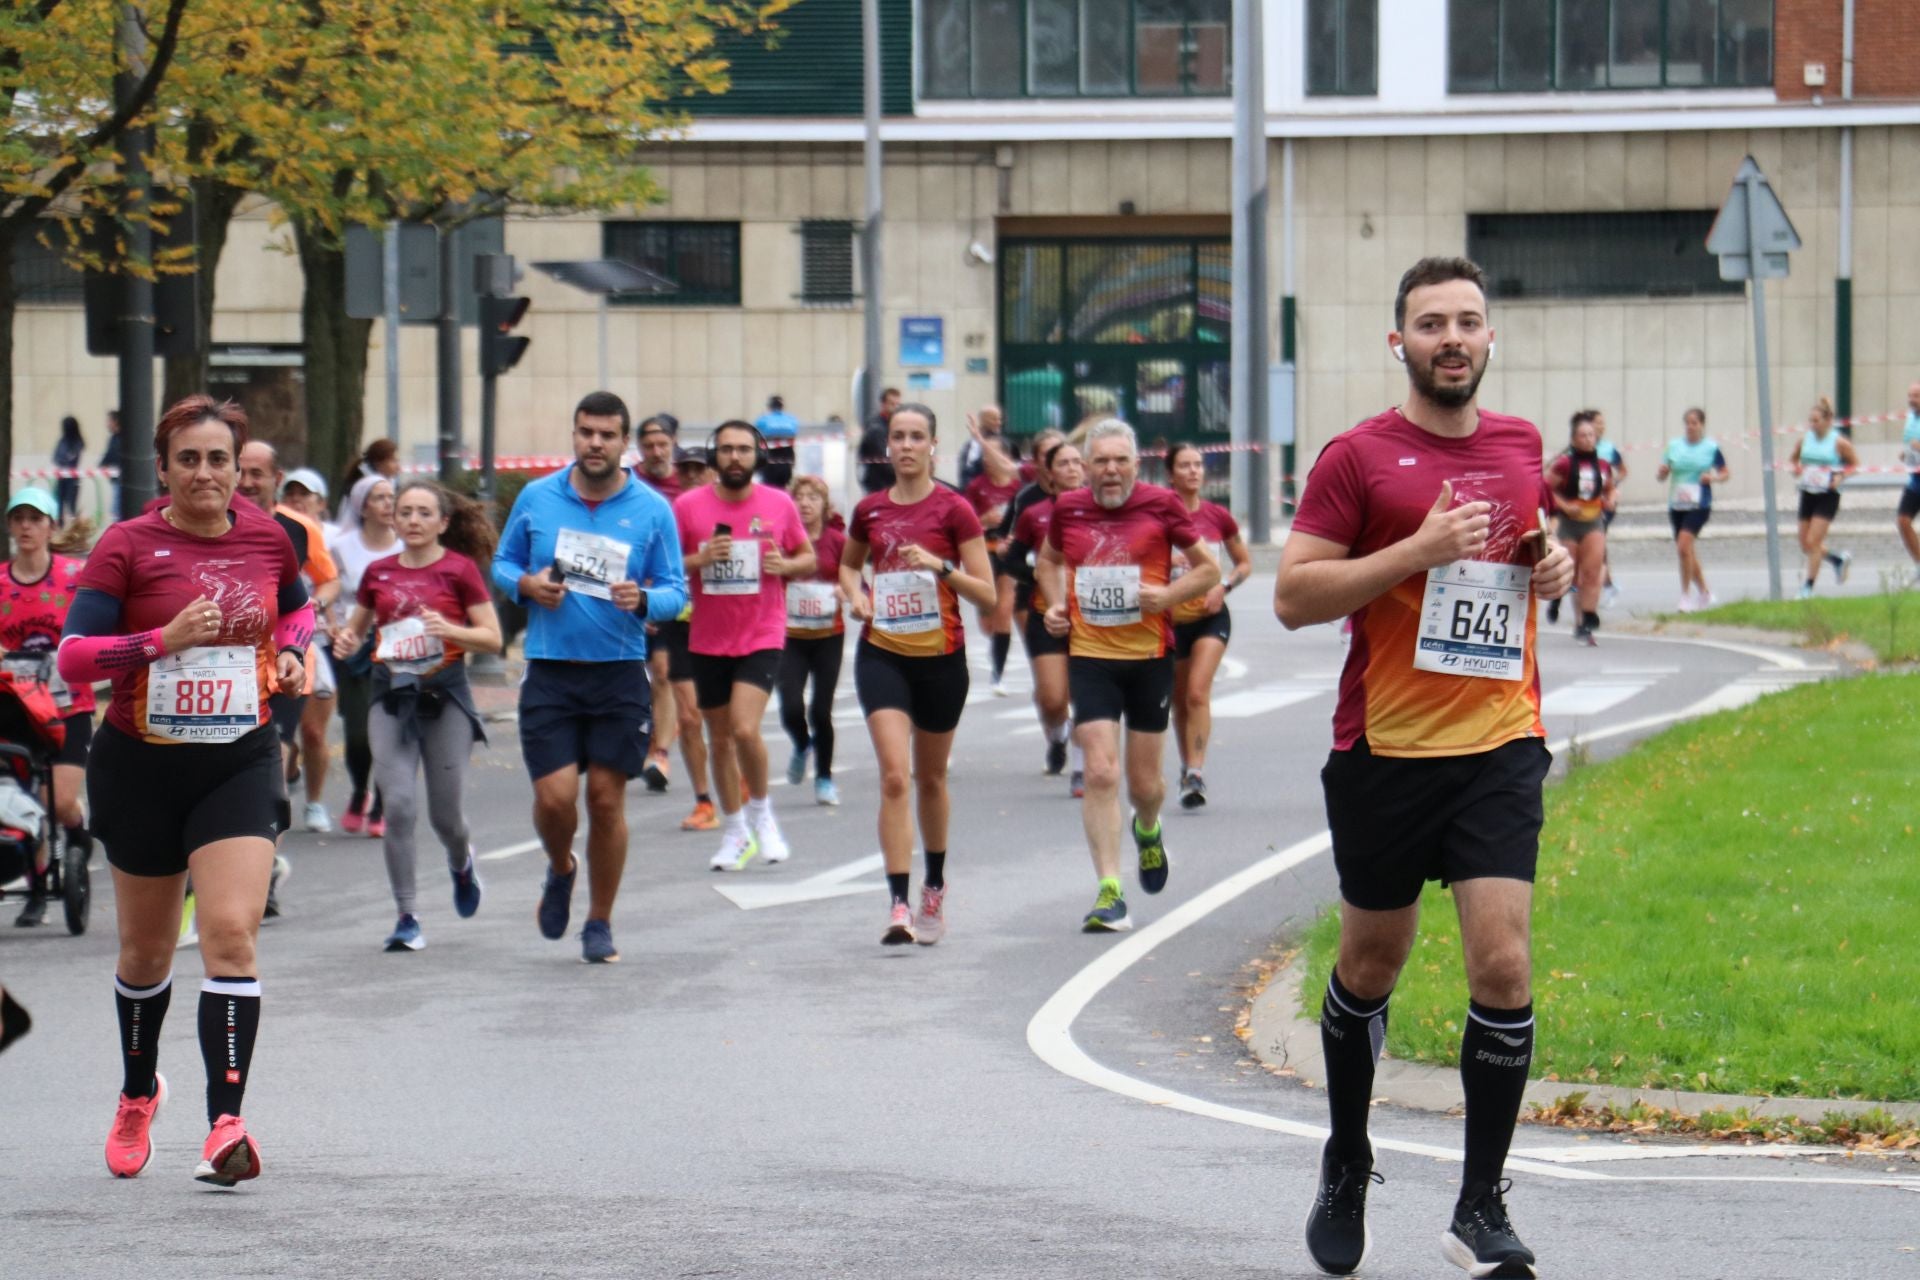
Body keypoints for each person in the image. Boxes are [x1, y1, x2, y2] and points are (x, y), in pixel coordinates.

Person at [1274, 256, 1575, 1280]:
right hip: (1386, 752)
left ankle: (1479, 1204)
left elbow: (1520, 559)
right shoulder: (1357, 458)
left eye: (1469, 320)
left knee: (1503, 963)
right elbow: (1295, 596)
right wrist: (1413, 550)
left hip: (1499, 740)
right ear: (1399, 342)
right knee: (1371, 967)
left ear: (1491, 338)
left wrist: (1552, 565)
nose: (1453, 337)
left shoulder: (1522, 444)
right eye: (1432, 322)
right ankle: (1348, 1156)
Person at [60, 393, 314, 1187]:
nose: (205, 473)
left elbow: (298, 615)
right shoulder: (128, 545)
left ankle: (225, 1123)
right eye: (189, 459)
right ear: (164, 469)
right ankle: (138, 1094)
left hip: (238, 757)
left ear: (240, 470)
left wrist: (297, 657)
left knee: (232, 934)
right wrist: (157, 643)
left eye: (219, 460)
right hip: (140, 764)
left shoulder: (270, 538)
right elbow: (73, 658)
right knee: (143, 951)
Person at [494, 391, 688, 964]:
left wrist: (645, 598)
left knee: (605, 801)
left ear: (625, 443)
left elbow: (677, 592)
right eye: (586, 432)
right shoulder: (537, 498)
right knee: (555, 801)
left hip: (619, 674)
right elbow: (502, 564)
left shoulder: (652, 510)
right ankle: (560, 867)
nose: (595, 443)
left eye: (607, 434)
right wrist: (527, 586)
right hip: (552, 671)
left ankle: (599, 922)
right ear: (574, 435)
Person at [1035, 419, 1218, 934]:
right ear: (1086, 467)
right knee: (1099, 771)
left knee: (1145, 785)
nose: (1110, 470)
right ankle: (1109, 891)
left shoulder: (1161, 505)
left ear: (1137, 466)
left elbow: (1207, 570)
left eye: (1120, 461)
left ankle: (1148, 826)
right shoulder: (1068, 508)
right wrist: (1053, 605)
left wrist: (1167, 597)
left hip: (1148, 658)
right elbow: (1047, 562)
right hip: (1090, 655)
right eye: (1100, 461)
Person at [840, 406, 995, 944]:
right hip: (882, 652)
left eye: (916, 437)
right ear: (887, 448)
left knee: (930, 778)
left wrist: (941, 567)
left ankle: (934, 883)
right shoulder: (869, 510)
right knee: (892, 776)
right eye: (897, 437)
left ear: (933, 445)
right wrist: (856, 595)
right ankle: (899, 903)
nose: (905, 446)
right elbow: (846, 563)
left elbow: (987, 591)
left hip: (941, 660)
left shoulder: (955, 510)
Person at [332, 480, 501, 951]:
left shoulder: (460, 570)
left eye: (424, 513)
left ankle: (461, 861)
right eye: (404, 511)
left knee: (447, 817)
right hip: (391, 697)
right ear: (393, 518)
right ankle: (407, 915)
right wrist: (346, 642)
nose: (412, 520)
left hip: (445, 699)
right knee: (400, 805)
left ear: (443, 523)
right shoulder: (378, 573)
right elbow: (357, 631)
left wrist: (450, 630)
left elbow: (492, 638)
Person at [676, 421, 815, 871]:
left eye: (743, 449)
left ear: (758, 455)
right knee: (718, 737)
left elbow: (808, 557)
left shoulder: (779, 503)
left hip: (762, 632)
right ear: (715, 456)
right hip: (708, 637)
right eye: (726, 449)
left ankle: (763, 815)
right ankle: (736, 832)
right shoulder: (688, 506)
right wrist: (700, 559)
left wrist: (786, 563)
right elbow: (663, 566)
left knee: (744, 728)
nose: (735, 457)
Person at [236, 442, 338, 903]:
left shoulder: (297, 529)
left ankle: (259, 878)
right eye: (241, 471)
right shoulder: (217, 525)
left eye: (258, 473)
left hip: (284, 665)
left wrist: (315, 602)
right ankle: (259, 859)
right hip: (228, 668)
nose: (248, 481)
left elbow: (329, 577)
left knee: (271, 767)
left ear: (276, 478)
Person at [3, 488, 96, 927]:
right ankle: (37, 889)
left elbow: (99, 621)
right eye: (18, 518)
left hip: (68, 705)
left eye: (35, 519)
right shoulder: (0, 583)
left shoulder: (75, 577)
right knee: (24, 803)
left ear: (50, 527)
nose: (26, 527)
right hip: (17, 708)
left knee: (57, 803)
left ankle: (79, 834)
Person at [1164, 443, 1251, 809]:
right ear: (1171, 474)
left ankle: (1197, 771)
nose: (1193, 471)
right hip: (1170, 620)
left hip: (1210, 616)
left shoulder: (1217, 516)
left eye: (1198, 464)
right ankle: (1187, 768)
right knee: (1180, 701)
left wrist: (1223, 585)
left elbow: (1243, 563)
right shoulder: (1159, 515)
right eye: (1184, 465)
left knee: (1198, 693)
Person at [1005, 440, 1083, 786]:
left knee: (1086, 695)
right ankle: (1057, 736)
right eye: (1063, 463)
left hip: (1092, 617)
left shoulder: (1100, 510)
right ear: (1050, 473)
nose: (1072, 468)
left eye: (1077, 462)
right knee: (1053, 698)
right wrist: (1035, 574)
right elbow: (1009, 559)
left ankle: (1082, 770)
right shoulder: (1033, 513)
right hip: (1046, 613)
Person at [328, 475, 396, 836]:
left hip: (397, 650)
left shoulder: (405, 546)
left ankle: (382, 804)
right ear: (362, 505)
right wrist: (336, 627)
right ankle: (359, 790)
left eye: (391, 497)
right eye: (379, 497)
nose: (388, 504)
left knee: (389, 730)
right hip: (354, 648)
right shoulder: (342, 546)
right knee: (357, 733)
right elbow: (331, 590)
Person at [780, 475, 847, 808]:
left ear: (824, 505)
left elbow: (855, 580)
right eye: (799, 497)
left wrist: (844, 590)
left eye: (812, 498)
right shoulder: (783, 540)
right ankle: (803, 745)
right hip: (789, 636)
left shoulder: (837, 540)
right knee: (790, 706)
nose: (805, 503)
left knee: (821, 710)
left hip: (827, 636)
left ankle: (824, 778)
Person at [280, 468, 340, 832]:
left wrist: (323, 612)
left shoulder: (327, 537)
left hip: (315, 638)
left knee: (313, 731)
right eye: (292, 493)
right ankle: (284, 782)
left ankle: (315, 803)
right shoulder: (277, 527)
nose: (298, 500)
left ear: (321, 502)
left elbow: (333, 584)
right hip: (276, 640)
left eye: (306, 494)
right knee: (283, 733)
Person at [666, 444, 721, 831]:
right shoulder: (671, 514)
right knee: (688, 717)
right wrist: (698, 561)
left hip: (724, 623)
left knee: (728, 720)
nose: (690, 476)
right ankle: (703, 799)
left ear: (712, 472)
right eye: (684, 470)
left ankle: (740, 777)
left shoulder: (727, 510)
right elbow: (661, 565)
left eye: (698, 469)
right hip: (680, 622)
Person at [634, 415, 685, 794]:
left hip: (672, 594)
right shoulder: (629, 483)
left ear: (673, 443)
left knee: (663, 671)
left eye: (662, 444)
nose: (655, 452)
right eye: (648, 445)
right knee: (639, 677)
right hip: (630, 594)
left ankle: (661, 753)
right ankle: (646, 740)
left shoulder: (687, 483)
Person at [1544, 411, 1615, 646]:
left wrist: (1611, 498)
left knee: (1592, 572)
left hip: (1593, 521)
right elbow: (1546, 487)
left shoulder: (1603, 465)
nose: (1587, 439)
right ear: (1574, 440)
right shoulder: (1564, 464)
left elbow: (1610, 488)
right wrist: (1564, 505)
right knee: (1571, 573)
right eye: (1583, 436)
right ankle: (1557, 599)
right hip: (1568, 523)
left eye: (1591, 435)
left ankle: (1587, 618)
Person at [1656, 408, 1729, 612]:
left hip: (1700, 504)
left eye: (1694, 423)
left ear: (1702, 425)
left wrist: (1712, 478)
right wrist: (1663, 472)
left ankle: (1686, 596)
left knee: (1683, 547)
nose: (1690, 427)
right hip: (1677, 504)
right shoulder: (1674, 446)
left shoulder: (1711, 448)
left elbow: (1724, 472)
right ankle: (1705, 592)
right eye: (1687, 423)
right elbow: (1662, 474)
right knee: (1686, 550)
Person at [1792, 396, 1858, 600]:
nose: (1812, 425)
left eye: (1816, 421)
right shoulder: (1805, 440)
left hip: (1828, 495)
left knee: (1813, 541)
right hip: (1808, 492)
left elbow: (1854, 464)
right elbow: (1794, 458)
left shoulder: (1839, 442)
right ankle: (1837, 559)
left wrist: (1841, 476)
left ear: (1828, 421)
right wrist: (1797, 468)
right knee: (1805, 543)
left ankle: (1807, 588)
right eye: (1810, 421)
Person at [1590, 410, 1626, 609]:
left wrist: (1612, 483)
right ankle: (1609, 584)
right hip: (1585, 504)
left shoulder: (1608, 448)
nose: (1600, 427)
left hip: (1605, 503)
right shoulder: (1577, 447)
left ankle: (1604, 585)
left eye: (1602, 423)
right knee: (1595, 544)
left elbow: (1622, 469)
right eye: (1597, 423)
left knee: (1597, 541)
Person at [336, 438, 400, 515]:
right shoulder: (361, 487)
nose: (398, 466)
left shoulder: (391, 483)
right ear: (378, 463)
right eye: (393, 461)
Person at [859, 386, 902, 494]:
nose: (896, 408)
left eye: (898, 404)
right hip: (879, 484)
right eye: (892, 404)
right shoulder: (876, 429)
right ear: (883, 404)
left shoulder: (892, 425)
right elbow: (884, 460)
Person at [1899, 382, 1920, 586]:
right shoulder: (1910, 418)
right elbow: (1909, 445)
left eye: (1917, 396)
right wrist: (1906, 454)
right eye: (1910, 395)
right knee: (1903, 521)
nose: (1912, 400)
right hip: (1915, 480)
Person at [754, 395, 800, 489]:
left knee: (769, 487)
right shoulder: (791, 419)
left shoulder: (762, 420)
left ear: (769, 406)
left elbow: (756, 435)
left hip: (768, 461)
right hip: (786, 460)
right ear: (782, 406)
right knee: (783, 487)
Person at [53, 415, 86, 523]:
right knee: (59, 503)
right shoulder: (62, 441)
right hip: (62, 476)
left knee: (71, 505)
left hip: (72, 478)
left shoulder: (77, 442)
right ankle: (60, 525)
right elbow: (56, 457)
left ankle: (74, 527)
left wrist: (65, 460)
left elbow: (72, 457)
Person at [100, 409, 122, 520]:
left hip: (122, 480)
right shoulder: (113, 438)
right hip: (116, 479)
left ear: (116, 421)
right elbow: (108, 455)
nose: (107, 424)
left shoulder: (121, 439)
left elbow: (113, 455)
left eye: (109, 421)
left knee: (118, 510)